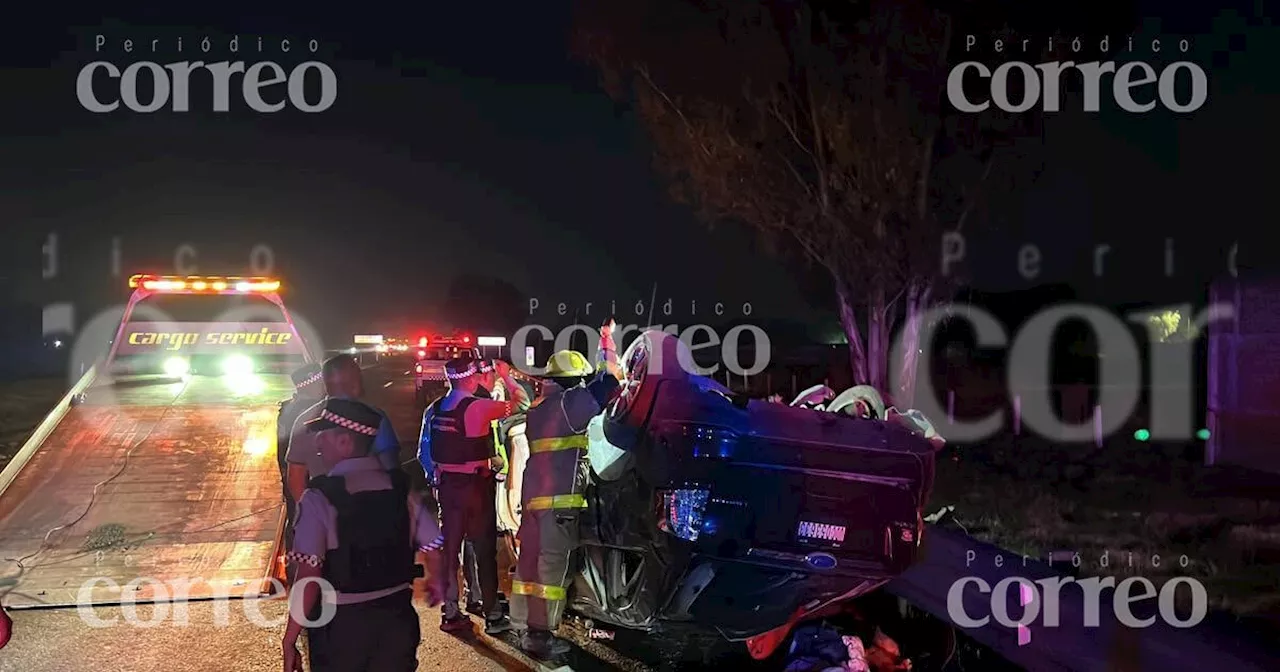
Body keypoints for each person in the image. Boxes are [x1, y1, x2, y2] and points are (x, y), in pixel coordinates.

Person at [282, 398, 441, 672]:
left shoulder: (318, 498)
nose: (317, 443)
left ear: (344, 443)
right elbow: (435, 544)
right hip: (397, 622)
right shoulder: (401, 491)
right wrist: (438, 579)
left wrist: (290, 638)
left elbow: (309, 577)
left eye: (324, 434)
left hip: (343, 629)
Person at [511, 319, 623, 658]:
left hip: (534, 503)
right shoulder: (569, 404)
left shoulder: (538, 408)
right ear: (573, 381)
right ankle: (540, 638)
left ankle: (523, 626)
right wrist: (608, 343)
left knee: (529, 567)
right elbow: (610, 381)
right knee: (551, 572)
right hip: (559, 506)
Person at [419, 353, 530, 634]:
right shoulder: (478, 408)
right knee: (484, 552)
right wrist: (505, 375)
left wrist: (436, 477)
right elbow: (522, 404)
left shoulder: (434, 409)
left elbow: (424, 452)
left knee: (450, 552)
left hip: (447, 489)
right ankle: (492, 615)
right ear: (469, 378)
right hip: (476, 488)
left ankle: (451, 612)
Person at [285, 354, 402, 506]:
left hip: (322, 509)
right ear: (355, 382)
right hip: (369, 511)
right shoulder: (374, 418)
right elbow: (392, 469)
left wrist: (311, 515)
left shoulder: (303, 420)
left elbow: (295, 478)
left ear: (325, 384)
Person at [277, 362, 325, 581]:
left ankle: (294, 571)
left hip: (290, 476)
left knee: (294, 523)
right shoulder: (312, 412)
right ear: (311, 384)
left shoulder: (288, 408)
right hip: (307, 480)